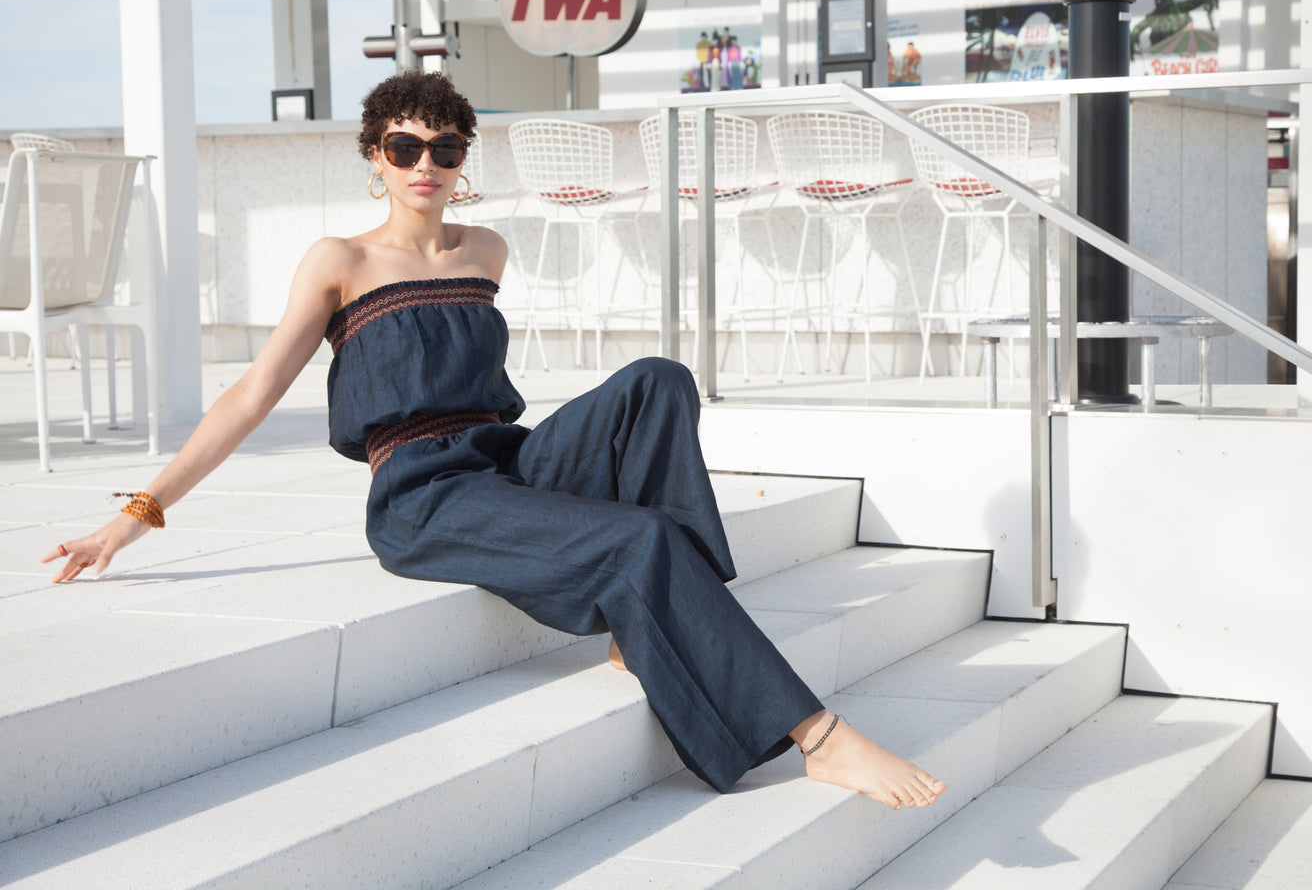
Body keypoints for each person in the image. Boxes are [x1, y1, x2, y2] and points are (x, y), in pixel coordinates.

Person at [40, 70, 946, 812]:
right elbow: (250, 392)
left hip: (501, 457)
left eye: (444, 147)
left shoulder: (487, 251)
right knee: (642, 540)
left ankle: (650, 622)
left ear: (463, 159)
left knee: (657, 381)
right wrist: (139, 512)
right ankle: (817, 738)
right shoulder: (340, 262)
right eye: (404, 147)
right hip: (424, 497)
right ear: (375, 158)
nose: (424, 163)